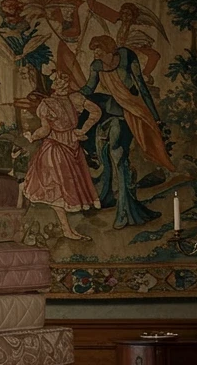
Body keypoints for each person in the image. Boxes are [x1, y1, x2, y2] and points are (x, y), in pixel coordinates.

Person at [81, 35, 176, 228]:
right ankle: (106, 195)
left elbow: (140, 85)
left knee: (118, 154)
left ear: (110, 50)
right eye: (95, 52)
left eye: (99, 51)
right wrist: (66, 96)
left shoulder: (126, 57)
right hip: (110, 110)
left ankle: (127, 211)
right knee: (103, 151)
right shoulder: (97, 66)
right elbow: (88, 89)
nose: (96, 55)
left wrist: (155, 116)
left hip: (130, 111)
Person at [22, 68, 102, 240]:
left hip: (70, 148)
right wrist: (34, 136)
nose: (63, 84)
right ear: (54, 84)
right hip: (55, 149)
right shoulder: (48, 104)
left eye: (64, 80)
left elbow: (96, 111)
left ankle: (66, 230)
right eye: (60, 81)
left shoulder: (74, 98)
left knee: (65, 190)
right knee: (57, 189)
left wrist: (83, 129)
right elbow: (45, 130)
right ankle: (65, 230)